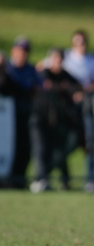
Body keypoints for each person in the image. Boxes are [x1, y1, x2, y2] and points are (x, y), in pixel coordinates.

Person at [29, 48, 83, 192]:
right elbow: (46, 85)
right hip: (40, 118)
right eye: (55, 58)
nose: (58, 62)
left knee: (60, 151)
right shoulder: (43, 73)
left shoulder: (66, 75)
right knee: (41, 150)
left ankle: (64, 181)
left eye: (60, 59)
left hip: (58, 121)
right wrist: (64, 88)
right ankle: (41, 179)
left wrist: (71, 90)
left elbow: (77, 88)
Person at [63, 30, 94, 192]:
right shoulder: (66, 58)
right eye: (78, 42)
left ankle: (91, 178)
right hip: (65, 108)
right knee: (66, 142)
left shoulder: (92, 61)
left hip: (87, 106)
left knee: (90, 142)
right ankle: (64, 179)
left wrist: (87, 89)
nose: (81, 45)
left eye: (83, 42)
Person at [6, 36, 42, 188]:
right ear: (13, 51)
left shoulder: (31, 70)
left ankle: (19, 179)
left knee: (24, 148)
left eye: (25, 51)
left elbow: (39, 88)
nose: (22, 54)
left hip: (26, 113)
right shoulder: (6, 68)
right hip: (6, 116)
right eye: (20, 50)